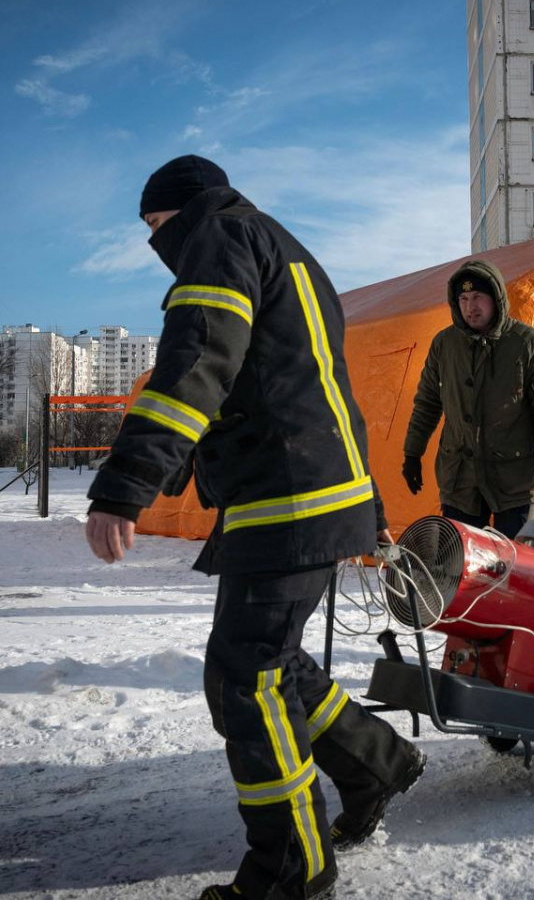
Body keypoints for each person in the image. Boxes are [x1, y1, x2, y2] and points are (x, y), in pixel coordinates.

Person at [84, 155, 424, 900]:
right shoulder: (289, 250)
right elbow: (296, 383)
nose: (154, 243)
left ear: (186, 207)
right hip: (317, 489)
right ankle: (376, 763)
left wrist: (127, 484)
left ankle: (290, 867)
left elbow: (197, 362)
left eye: (155, 226)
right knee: (274, 660)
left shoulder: (218, 238)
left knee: (247, 677)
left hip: (287, 496)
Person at [401, 259, 534, 538]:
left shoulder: (527, 343)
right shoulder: (444, 344)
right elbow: (428, 403)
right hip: (460, 478)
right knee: (460, 564)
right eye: (464, 299)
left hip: (512, 478)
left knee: (515, 566)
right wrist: (412, 453)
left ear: (496, 297)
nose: (471, 306)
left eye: (478, 297)